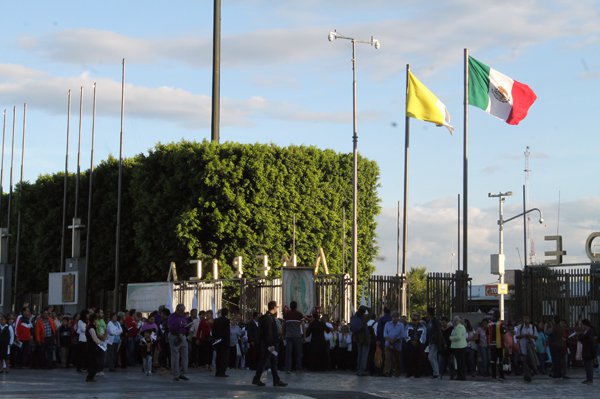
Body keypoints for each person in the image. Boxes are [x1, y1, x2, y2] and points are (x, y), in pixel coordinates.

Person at [252, 300, 287, 387]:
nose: (277, 309)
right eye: (276, 308)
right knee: (265, 362)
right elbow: (269, 332)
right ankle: (257, 378)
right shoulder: (268, 318)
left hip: (268, 343)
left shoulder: (267, 317)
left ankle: (275, 380)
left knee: (271, 361)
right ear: (274, 308)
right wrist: (271, 344)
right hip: (270, 344)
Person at [168, 304, 190, 381]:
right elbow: (171, 327)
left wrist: (187, 327)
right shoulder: (172, 316)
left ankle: (183, 373)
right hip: (175, 336)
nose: (182, 312)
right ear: (177, 309)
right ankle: (176, 374)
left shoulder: (184, 316)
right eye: (181, 311)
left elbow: (185, 325)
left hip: (183, 336)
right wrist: (180, 325)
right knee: (175, 356)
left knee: (185, 355)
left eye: (183, 310)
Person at [515, 315, 538, 382]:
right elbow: (517, 336)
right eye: (524, 318)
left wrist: (531, 336)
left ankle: (531, 372)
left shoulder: (533, 327)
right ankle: (527, 375)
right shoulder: (520, 327)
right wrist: (523, 336)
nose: (526, 320)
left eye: (527, 318)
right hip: (523, 347)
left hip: (531, 347)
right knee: (525, 361)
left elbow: (536, 337)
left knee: (531, 360)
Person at [283, 301, 304, 374]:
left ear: (290, 306)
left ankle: (288, 368)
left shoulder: (286, 315)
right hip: (297, 336)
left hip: (288, 336)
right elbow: (303, 326)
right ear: (296, 306)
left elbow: (283, 326)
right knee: (298, 353)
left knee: (288, 353)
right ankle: (299, 368)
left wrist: (283, 335)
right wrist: (304, 336)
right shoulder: (299, 315)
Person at [404, 312, 427, 378]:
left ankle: (417, 373)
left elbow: (424, 336)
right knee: (409, 359)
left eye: (415, 319)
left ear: (418, 319)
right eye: (413, 319)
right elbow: (405, 335)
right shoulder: (408, 326)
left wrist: (418, 342)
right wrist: (410, 341)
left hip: (419, 345)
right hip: (410, 344)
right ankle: (409, 373)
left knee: (418, 359)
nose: (414, 321)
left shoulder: (423, 327)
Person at [350, 305, 370, 376]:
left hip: (357, 338)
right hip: (364, 338)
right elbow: (371, 313)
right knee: (364, 354)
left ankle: (358, 368)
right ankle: (362, 369)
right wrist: (367, 308)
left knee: (359, 354)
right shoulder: (364, 318)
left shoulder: (353, 318)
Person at [383, 311, 404, 377]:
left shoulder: (401, 325)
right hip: (388, 344)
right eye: (393, 317)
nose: (394, 318)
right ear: (391, 317)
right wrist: (389, 340)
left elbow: (402, 335)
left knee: (396, 359)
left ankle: (397, 372)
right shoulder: (387, 324)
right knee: (387, 358)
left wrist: (395, 340)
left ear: (398, 318)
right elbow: (385, 333)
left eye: (396, 317)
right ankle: (387, 372)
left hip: (397, 344)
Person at [212, 307, 231, 377]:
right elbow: (227, 333)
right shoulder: (227, 321)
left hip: (217, 341)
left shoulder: (216, 320)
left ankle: (217, 371)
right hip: (224, 342)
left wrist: (214, 340)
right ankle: (222, 372)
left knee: (218, 357)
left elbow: (213, 331)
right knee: (224, 357)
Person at [425, 307, 443, 379]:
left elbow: (438, 331)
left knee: (431, 356)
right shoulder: (430, 321)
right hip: (431, 341)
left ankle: (436, 373)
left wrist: (436, 340)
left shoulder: (435, 321)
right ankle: (436, 372)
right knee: (433, 357)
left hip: (434, 341)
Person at [488, 310, 506, 380]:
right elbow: (503, 334)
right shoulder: (501, 324)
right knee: (501, 360)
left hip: (492, 344)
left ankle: (493, 375)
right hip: (499, 344)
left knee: (493, 360)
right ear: (499, 316)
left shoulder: (490, 324)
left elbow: (487, 334)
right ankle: (501, 375)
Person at [85, 313, 103, 382]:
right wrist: (101, 343)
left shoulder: (91, 327)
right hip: (92, 348)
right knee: (93, 362)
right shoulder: (91, 328)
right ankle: (90, 376)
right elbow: (95, 339)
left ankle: (91, 377)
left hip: (90, 347)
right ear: (94, 320)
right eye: (96, 319)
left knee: (93, 362)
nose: (97, 321)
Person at [449, 316, 467, 381]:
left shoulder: (459, 327)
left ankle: (461, 376)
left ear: (457, 321)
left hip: (460, 347)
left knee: (460, 363)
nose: (454, 322)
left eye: (455, 320)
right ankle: (460, 376)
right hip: (457, 347)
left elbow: (458, 337)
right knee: (459, 363)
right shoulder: (456, 327)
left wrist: (451, 338)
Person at [579, 319, 596, 384]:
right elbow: (581, 338)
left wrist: (582, 337)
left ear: (585, 324)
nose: (582, 326)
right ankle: (587, 379)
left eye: (582, 324)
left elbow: (589, 340)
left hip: (589, 351)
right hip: (586, 350)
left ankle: (590, 380)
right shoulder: (585, 331)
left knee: (589, 366)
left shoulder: (590, 331)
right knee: (586, 366)